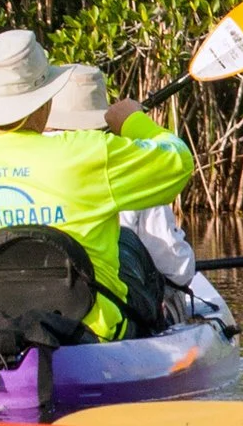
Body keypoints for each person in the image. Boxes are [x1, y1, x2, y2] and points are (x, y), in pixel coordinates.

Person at [0, 29, 196, 344]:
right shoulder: (89, 151)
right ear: (45, 100)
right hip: (86, 334)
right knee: (127, 242)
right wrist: (132, 120)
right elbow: (179, 162)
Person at [43, 64, 231, 327]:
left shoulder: (12, 164)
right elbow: (177, 270)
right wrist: (135, 122)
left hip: (31, 306)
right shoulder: (126, 163)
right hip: (109, 319)